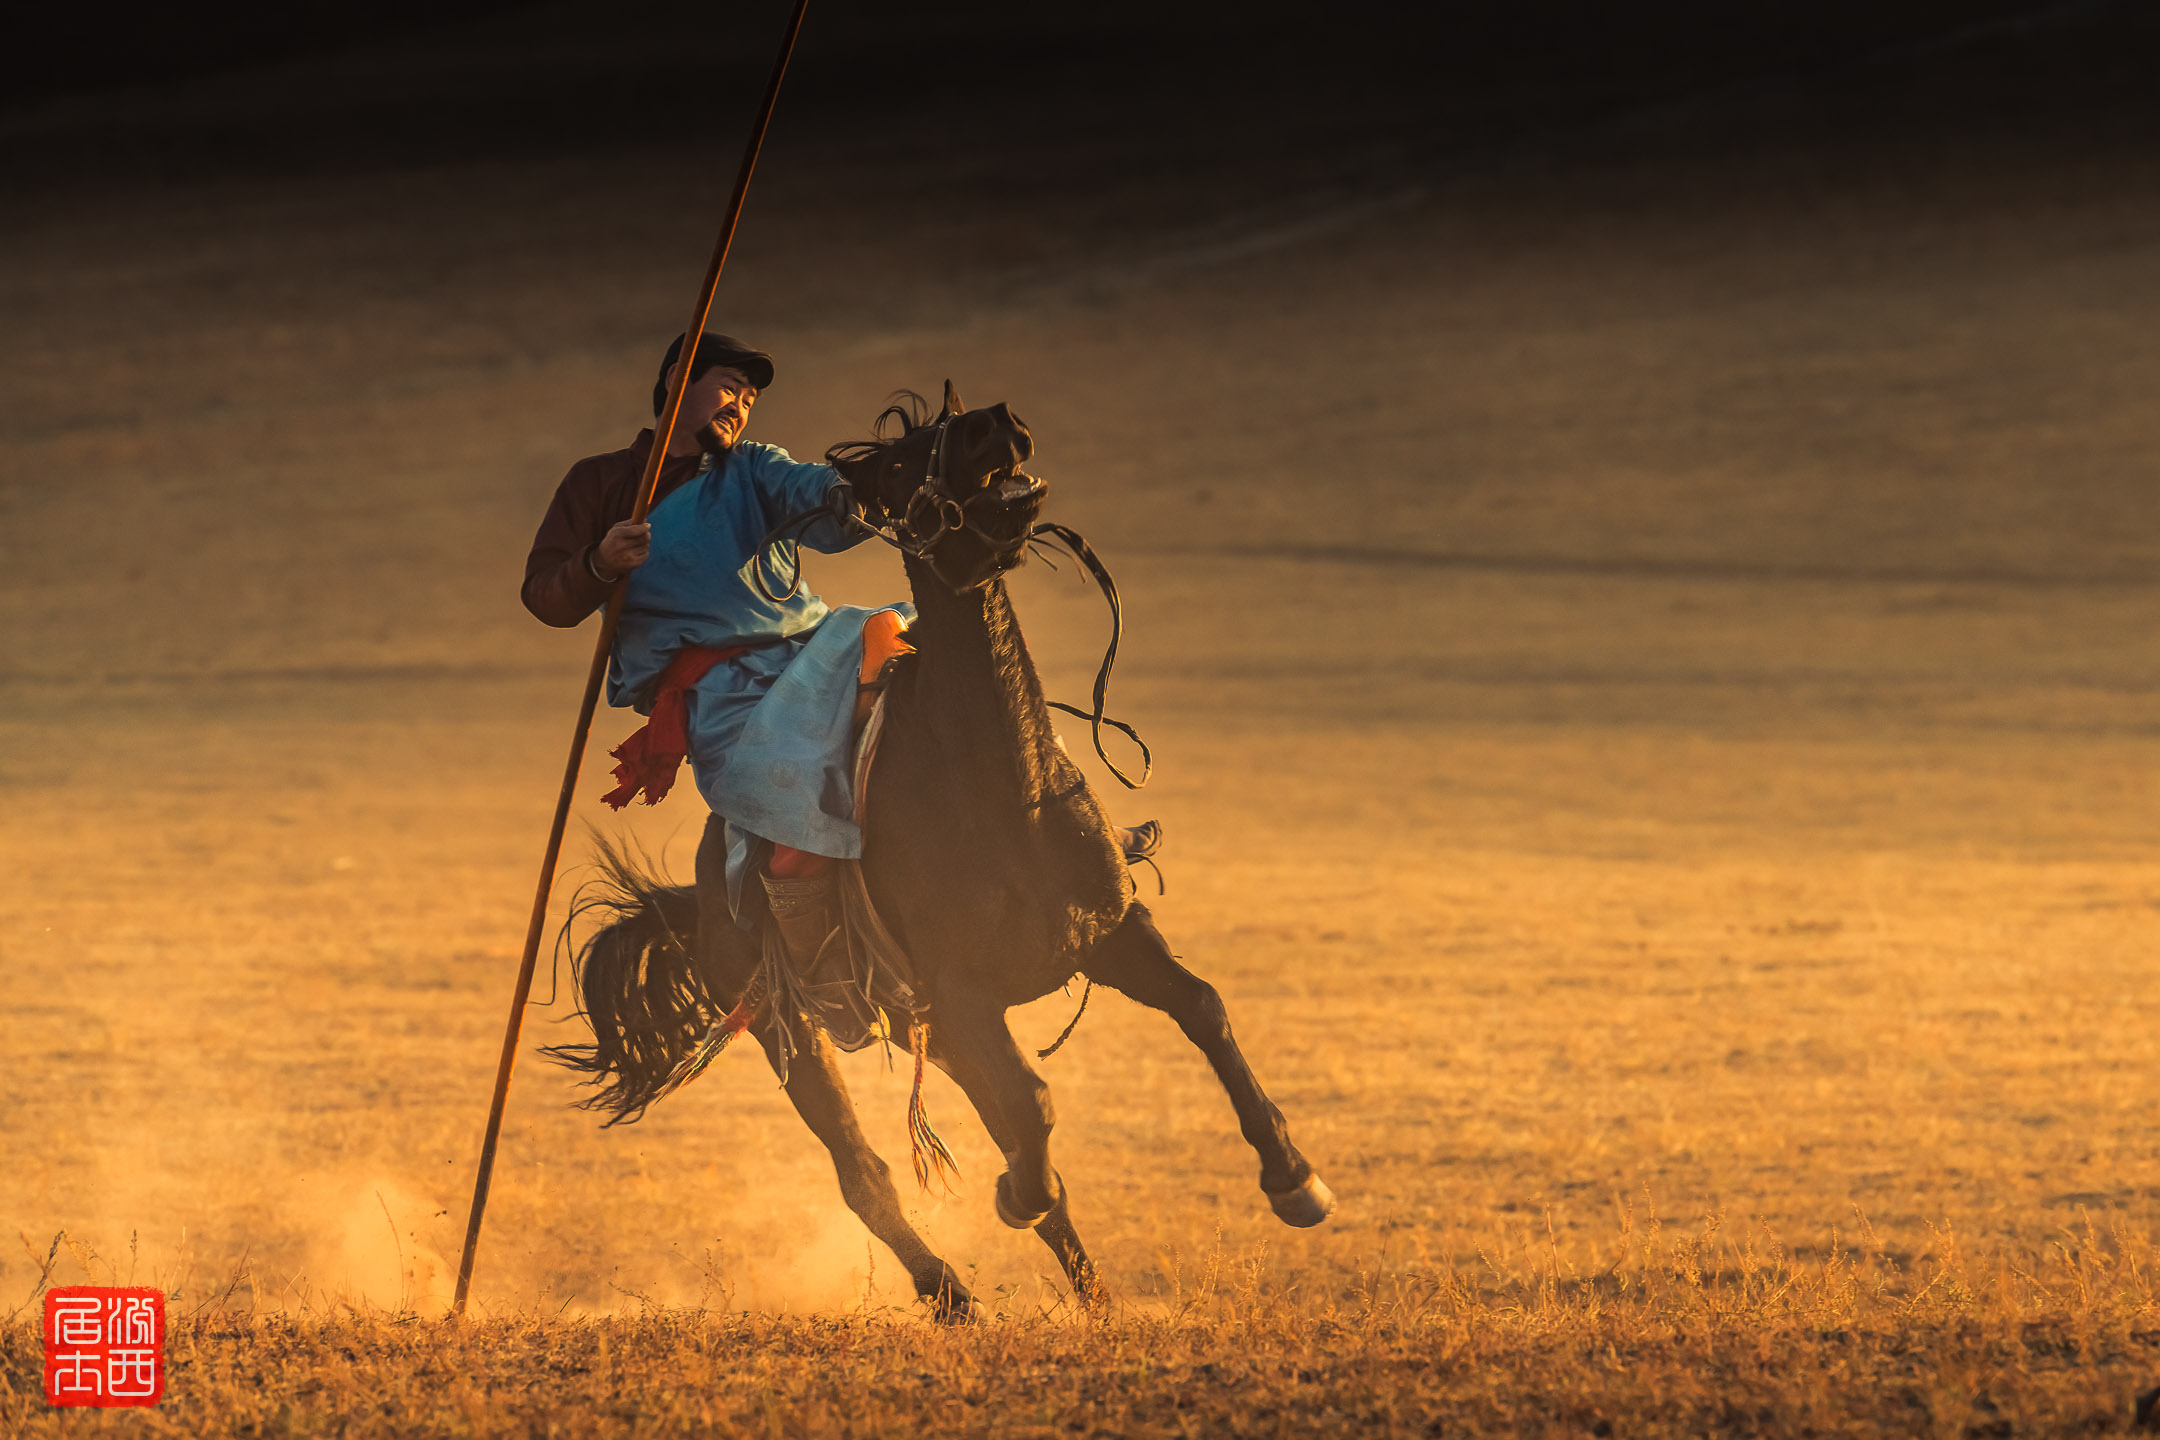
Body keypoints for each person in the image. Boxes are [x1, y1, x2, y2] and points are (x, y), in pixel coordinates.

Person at [523, 332, 1159, 1039]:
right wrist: (599, 561)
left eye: (752, 396)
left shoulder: (755, 470)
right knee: (788, 797)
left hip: (818, 647)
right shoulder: (600, 483)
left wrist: (859, 492)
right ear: (677, 379)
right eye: (729, 384)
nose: (741, 404)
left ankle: (1071, 829)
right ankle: (820, 963)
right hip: (723, 694)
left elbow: (824, 501)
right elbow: (547, 596)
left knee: (972, 673)